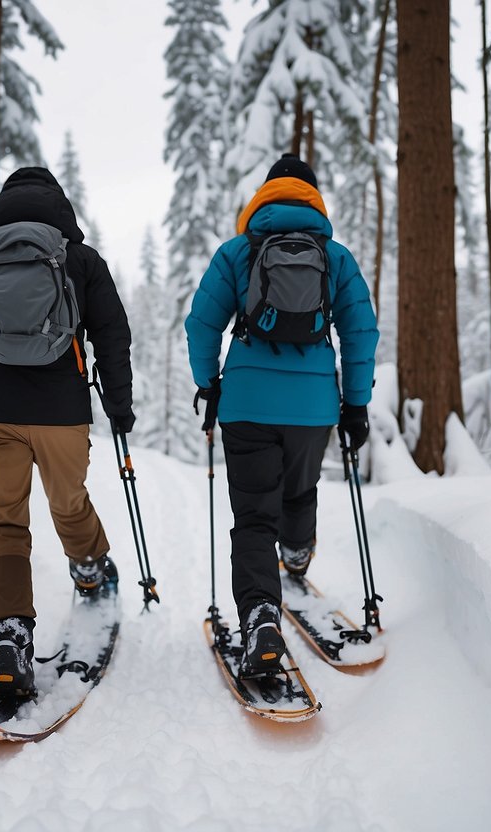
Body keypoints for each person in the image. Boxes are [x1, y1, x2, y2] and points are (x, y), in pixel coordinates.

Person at [0, 167, 134, 698]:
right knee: (68, 501)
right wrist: (120, 408)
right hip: (62, 408)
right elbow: (112, 335)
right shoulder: (80, 259)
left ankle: (10, 637)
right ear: (58, 206)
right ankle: (88, 570)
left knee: (2, 521)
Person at [185, 153, 378, 676]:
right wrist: (356, 404)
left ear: (263, 198)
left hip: (246, 404)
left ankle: (262, 620)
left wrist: (210, 385)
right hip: (314, 409)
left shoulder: (236, 252)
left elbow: (201, 325)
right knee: (299, 492)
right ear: (314, 200)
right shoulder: (335, 257)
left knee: (252, 517)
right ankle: (295, 558)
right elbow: (360, 332)